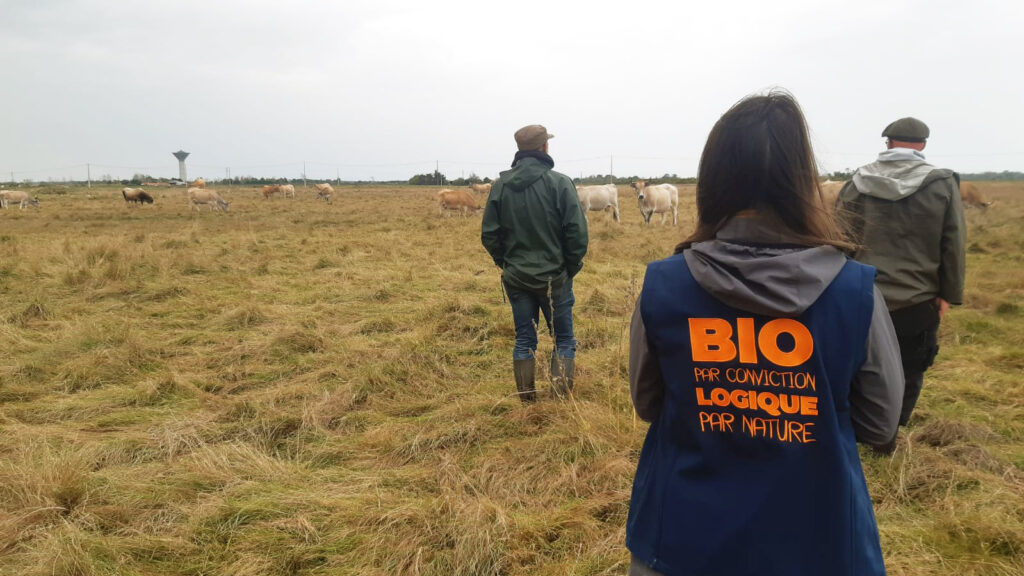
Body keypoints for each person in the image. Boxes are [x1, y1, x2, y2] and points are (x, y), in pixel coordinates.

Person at [626, 91, 904, 576]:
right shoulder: (855, 291)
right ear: (803, 181)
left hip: (682, 541)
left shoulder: (664, 285)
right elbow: (880, 424)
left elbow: (648, 403)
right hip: (818, 540)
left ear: (713, 179)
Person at [836, 117, 966, 427]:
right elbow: (953, 243)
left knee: (855, 365)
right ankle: (891, 430)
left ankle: (854, 425)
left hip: (860, 295)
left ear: (888, 143)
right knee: (910, 368)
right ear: (922, 145)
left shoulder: (856, 182)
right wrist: (949, 294)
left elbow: (837, 239)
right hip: (916, 299)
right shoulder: (943, 184)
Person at [481, 125, 588, 402]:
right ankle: (561, 400)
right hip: (556, 278)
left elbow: (489, 235)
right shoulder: (560, 183)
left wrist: (506, 264)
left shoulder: (500, 187)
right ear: (544, 148)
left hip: (516, 278)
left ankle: (527, 401)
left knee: (524, 340)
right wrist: (568, 268)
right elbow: (577, 234)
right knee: (564, 340)